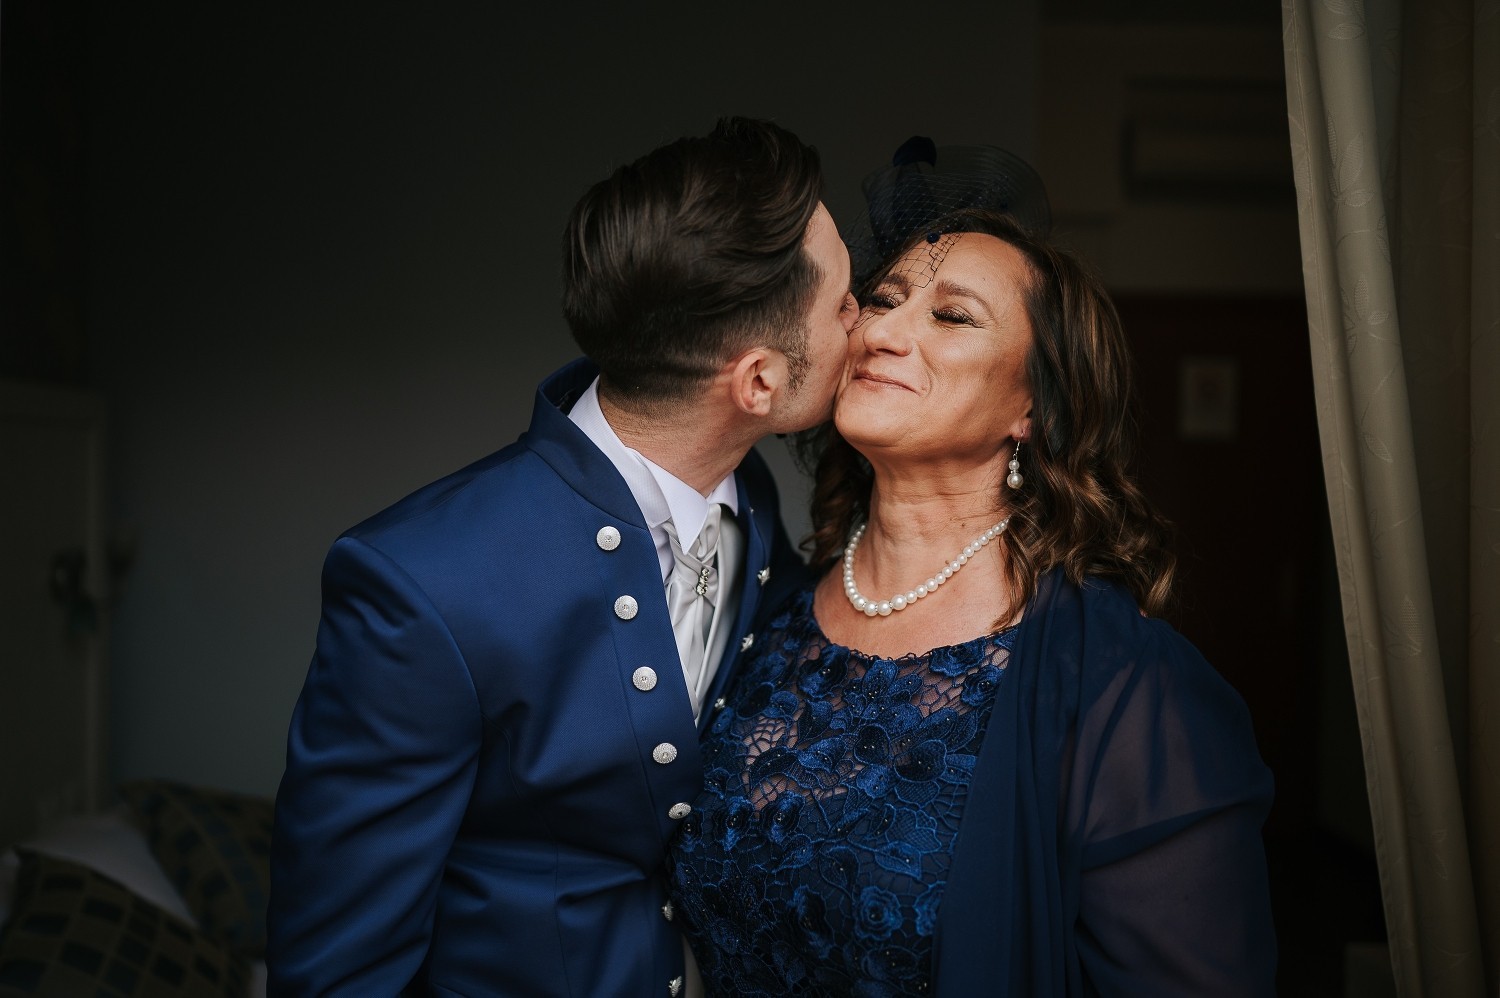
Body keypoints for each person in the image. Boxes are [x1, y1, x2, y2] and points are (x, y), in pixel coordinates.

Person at [267, 117, 860, 997]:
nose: (868, 321)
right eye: (845, 303)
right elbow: (336, 970)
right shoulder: (421, 583)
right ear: (759, 382)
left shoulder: (756, 505)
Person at [665, 159, 1278, 995]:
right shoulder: (758, 617)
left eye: (952, 315)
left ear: (1032, 405)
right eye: (880, 300)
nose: (880, 333)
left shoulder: (1126, 688)